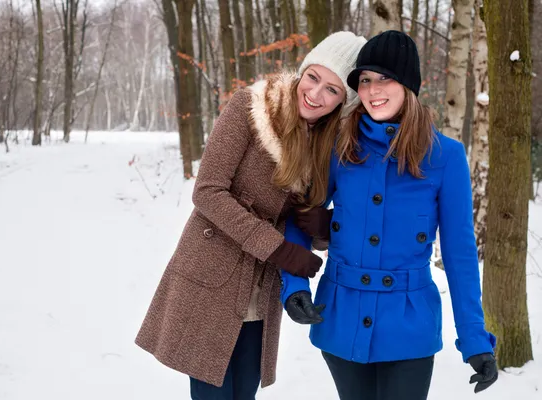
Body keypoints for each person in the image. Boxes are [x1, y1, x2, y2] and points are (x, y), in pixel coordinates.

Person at [134, 31, 367, 400]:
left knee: (244, 393)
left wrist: (326, 227)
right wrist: (278, 249)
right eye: (313, 77)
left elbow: (304, 223)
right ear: (303, 71)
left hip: (262, 290)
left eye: (332, 90)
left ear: (344, 100)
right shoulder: (250, 106)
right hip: (212, 276)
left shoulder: (327, 144)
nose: (316, 94)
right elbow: (208, 191)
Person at [280, 30, 499, 400]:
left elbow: (460, 252)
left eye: (385, 78)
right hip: (340, 314)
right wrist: (295, 286)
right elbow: (301, 214)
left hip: (408, 324)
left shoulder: (445, 156)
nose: (372, 90)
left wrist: (474, 337)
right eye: (365, 80)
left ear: (408, 85)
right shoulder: (340, 145)